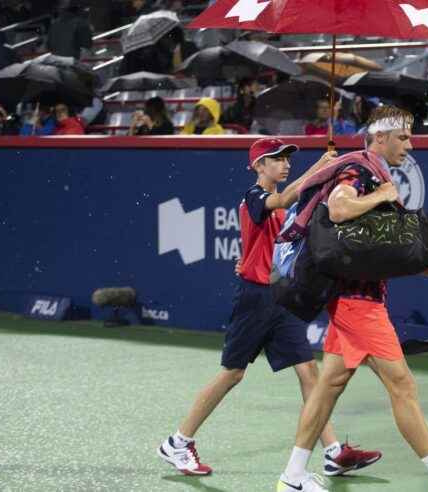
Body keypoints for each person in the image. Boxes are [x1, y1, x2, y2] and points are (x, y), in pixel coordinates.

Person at [276, 106, 428, 492]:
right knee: (403, 385)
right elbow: (339, 207)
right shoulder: (361, 172)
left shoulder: (373, 172)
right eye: (403, 137)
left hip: (354, 300)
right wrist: (381, 194)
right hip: (357, 303)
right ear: (380, 137)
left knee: (329, 385)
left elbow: (390, 251)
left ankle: (292, 478)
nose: (410, 145)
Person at [157, 137, 382, 477]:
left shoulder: (284, 205)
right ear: (258, 166)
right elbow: (285, 196)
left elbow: (288, 214)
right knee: (233, 373)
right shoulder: (255, 197)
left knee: (309, 373)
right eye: (276, 159)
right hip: (255, 299)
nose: (285, 163)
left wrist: (323, 167)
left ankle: (333, 452)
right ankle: (178, 442)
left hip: (280, 297)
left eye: (287, 158)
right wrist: (324, 167)